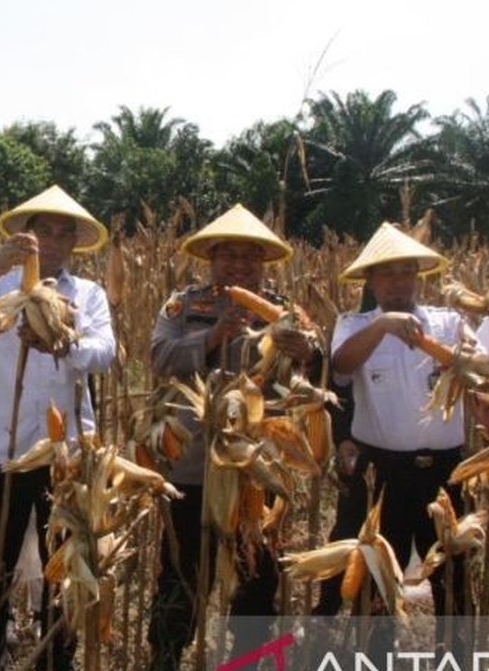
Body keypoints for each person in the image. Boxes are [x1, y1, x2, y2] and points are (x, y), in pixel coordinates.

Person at [0, 185, 116, 670]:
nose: (54, 242)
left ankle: (55, 656)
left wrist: (61, 343)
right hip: (2, 447)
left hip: (67, 453)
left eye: (65, 234)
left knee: (64, 559)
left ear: (76, 243)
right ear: (27, 234)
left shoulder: (89, 295)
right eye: (45, 231)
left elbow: (106, 353)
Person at [147, 204, 315, 671]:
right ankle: (166, 655)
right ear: (211, 258)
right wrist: (213, 337)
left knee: (257, 577)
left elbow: (308, 375)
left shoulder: (285, 310)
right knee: (182, 574)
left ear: (264, 262)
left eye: (250, 256)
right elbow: (159, 357)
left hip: (256, 467)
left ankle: (247, 660)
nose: (240, 265)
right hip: (194, 463)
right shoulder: (183, 304)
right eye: (229, 255)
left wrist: (305, 354)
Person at [331, 223, 473, 624]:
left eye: (407, 272)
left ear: (418, 277)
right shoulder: (353, 325)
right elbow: (341, 367)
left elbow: (482, 370)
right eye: (388, 273)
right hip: (382, 474)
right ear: (371, 281)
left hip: (445, 471)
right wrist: (382, 326)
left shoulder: (449, 323)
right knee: (377, 577)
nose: (399, 282)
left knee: (452, 576)